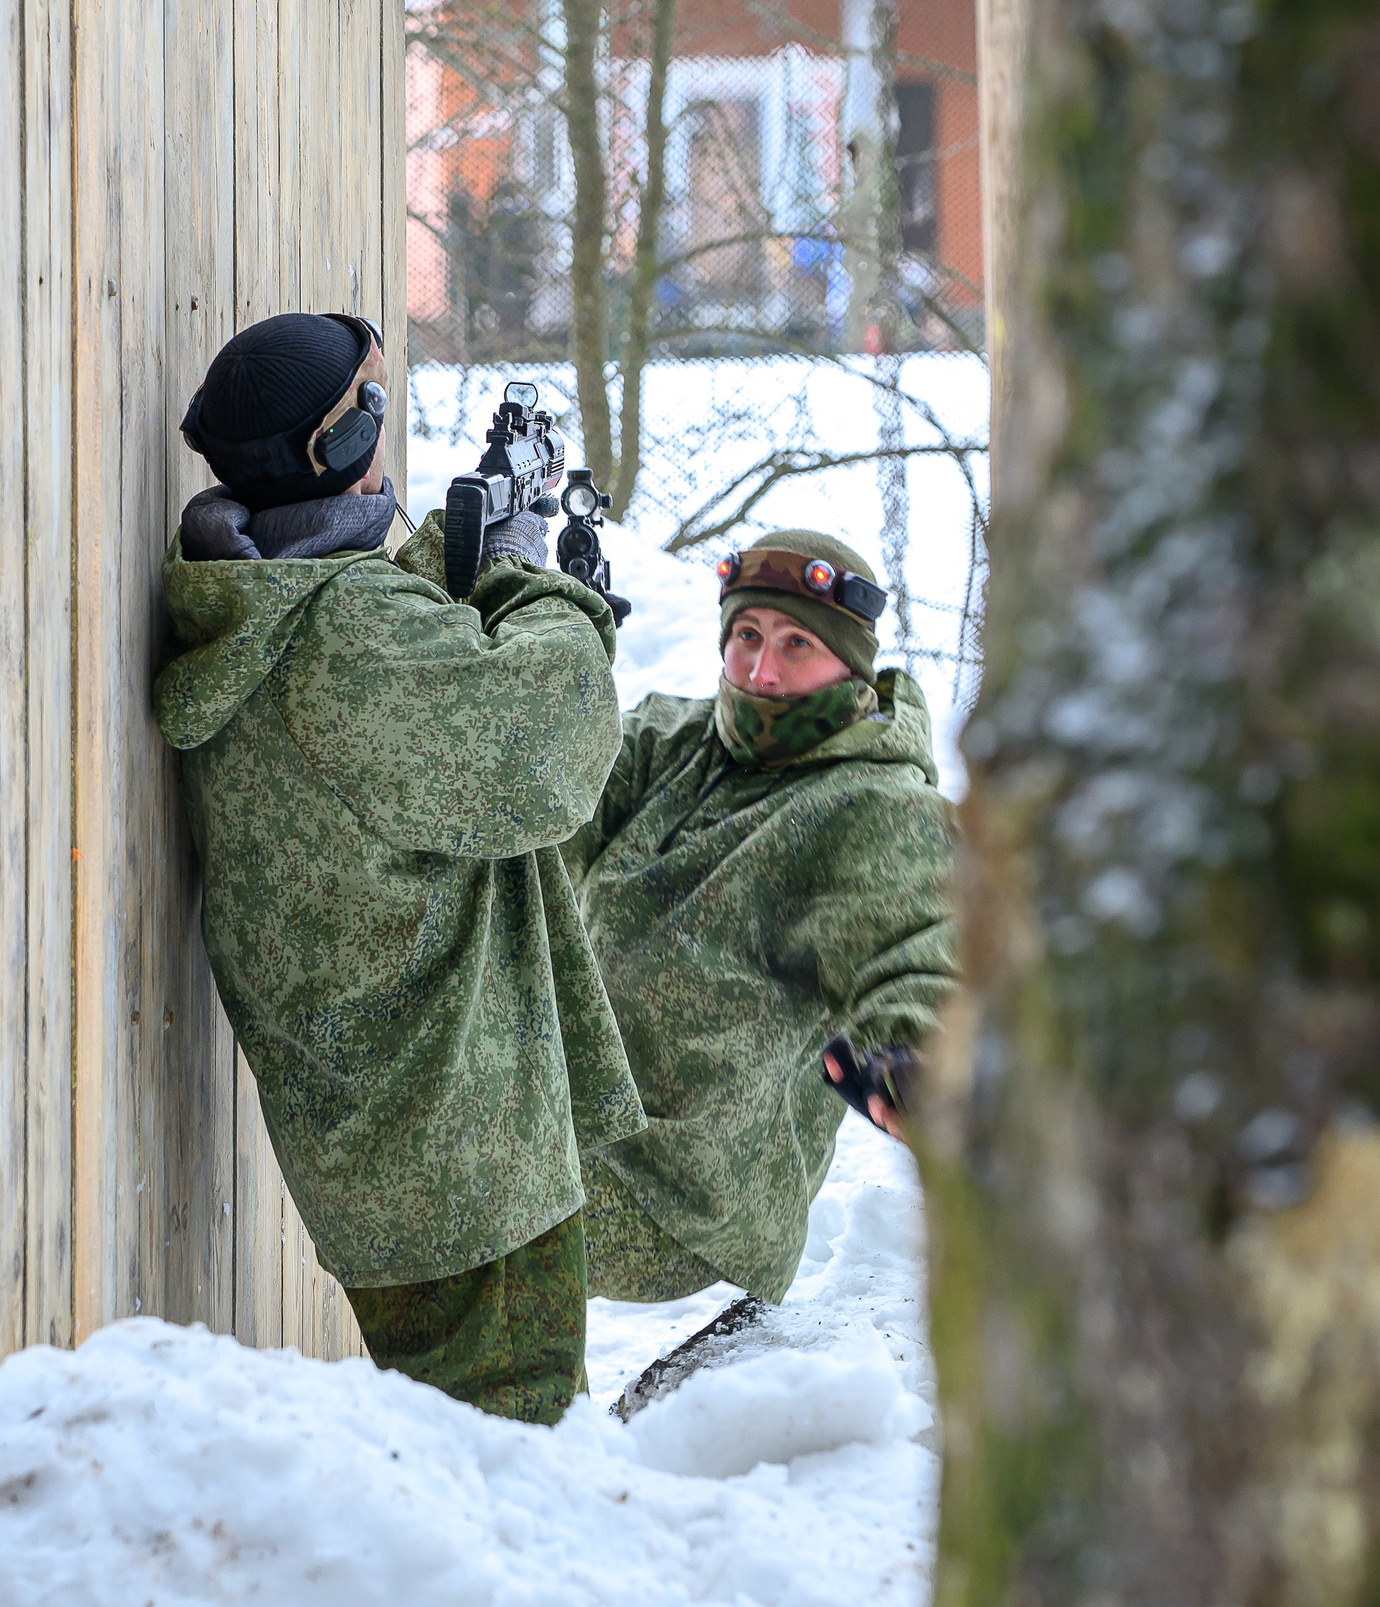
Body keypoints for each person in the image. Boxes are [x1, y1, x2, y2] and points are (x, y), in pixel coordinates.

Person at [154, 312, 641, 1421]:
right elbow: (545, 741)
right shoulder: (345, 644)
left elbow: (369, 650)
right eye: (369, 410)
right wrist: (534, 583)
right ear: (337, 450)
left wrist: (457, 556)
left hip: (398, 1141)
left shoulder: (252, 603)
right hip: (461, 1149)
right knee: (521, 1463)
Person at [562, 529, 958, 1306]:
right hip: (568, 1126)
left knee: (450, 1197)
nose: (762, 670)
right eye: (747, 636)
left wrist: (926, 1063)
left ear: (852, 664)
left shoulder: (872, 807)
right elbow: (539, 813)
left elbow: (918, 937)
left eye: (796, 643)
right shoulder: (673, 743)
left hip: (683, 1197)